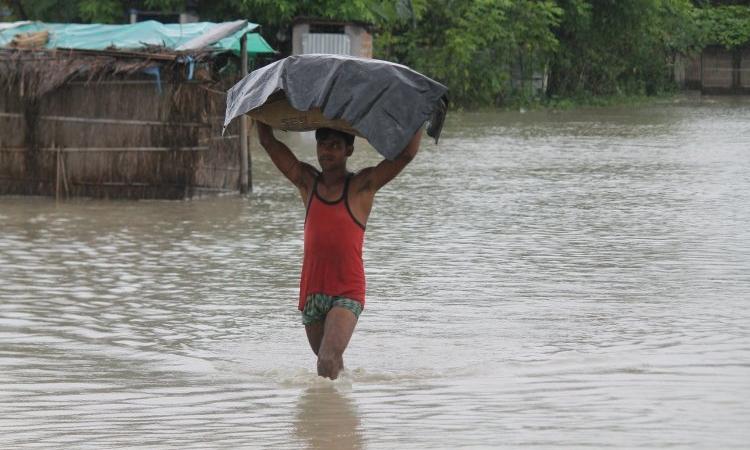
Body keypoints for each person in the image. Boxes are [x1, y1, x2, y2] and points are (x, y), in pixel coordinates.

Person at [257, 122, 422, 380]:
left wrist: (419, 116)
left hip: (347, 290)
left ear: (349, 150)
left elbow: (406, 154)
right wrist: (259, 112)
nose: (327, 152)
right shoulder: (307, 182)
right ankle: (342, 413)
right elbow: (268, 142)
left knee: (326, 360)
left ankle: (327, 417)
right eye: (323, 145)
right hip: (312, 291)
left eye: (335, 146)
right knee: (332, 369)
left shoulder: (361, 186)